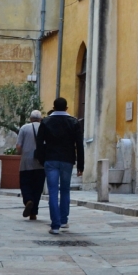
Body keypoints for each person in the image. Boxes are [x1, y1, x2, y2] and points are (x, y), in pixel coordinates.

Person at [36, 97, 84, 234]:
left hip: (50, 159)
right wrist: (81, 165)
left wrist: (41, 158)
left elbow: (39, 143)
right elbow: (79, 145)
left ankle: (55, 225)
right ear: (66, 108)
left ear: (54, 107)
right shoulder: (74, 122)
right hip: (67, 160)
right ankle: (63, 220)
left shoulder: (45, 122)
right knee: (65, 190)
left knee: (52, 191)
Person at [16, 109, 45, 220]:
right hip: (40, 163)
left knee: (25, 184)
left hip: (26, 163)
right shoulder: (44, 128)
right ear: (40, 118)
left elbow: (18, 146)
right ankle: (33, 213)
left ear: (30, 118)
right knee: (37, 188)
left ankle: (28, 200)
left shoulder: (24, 128)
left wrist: (22, 153)